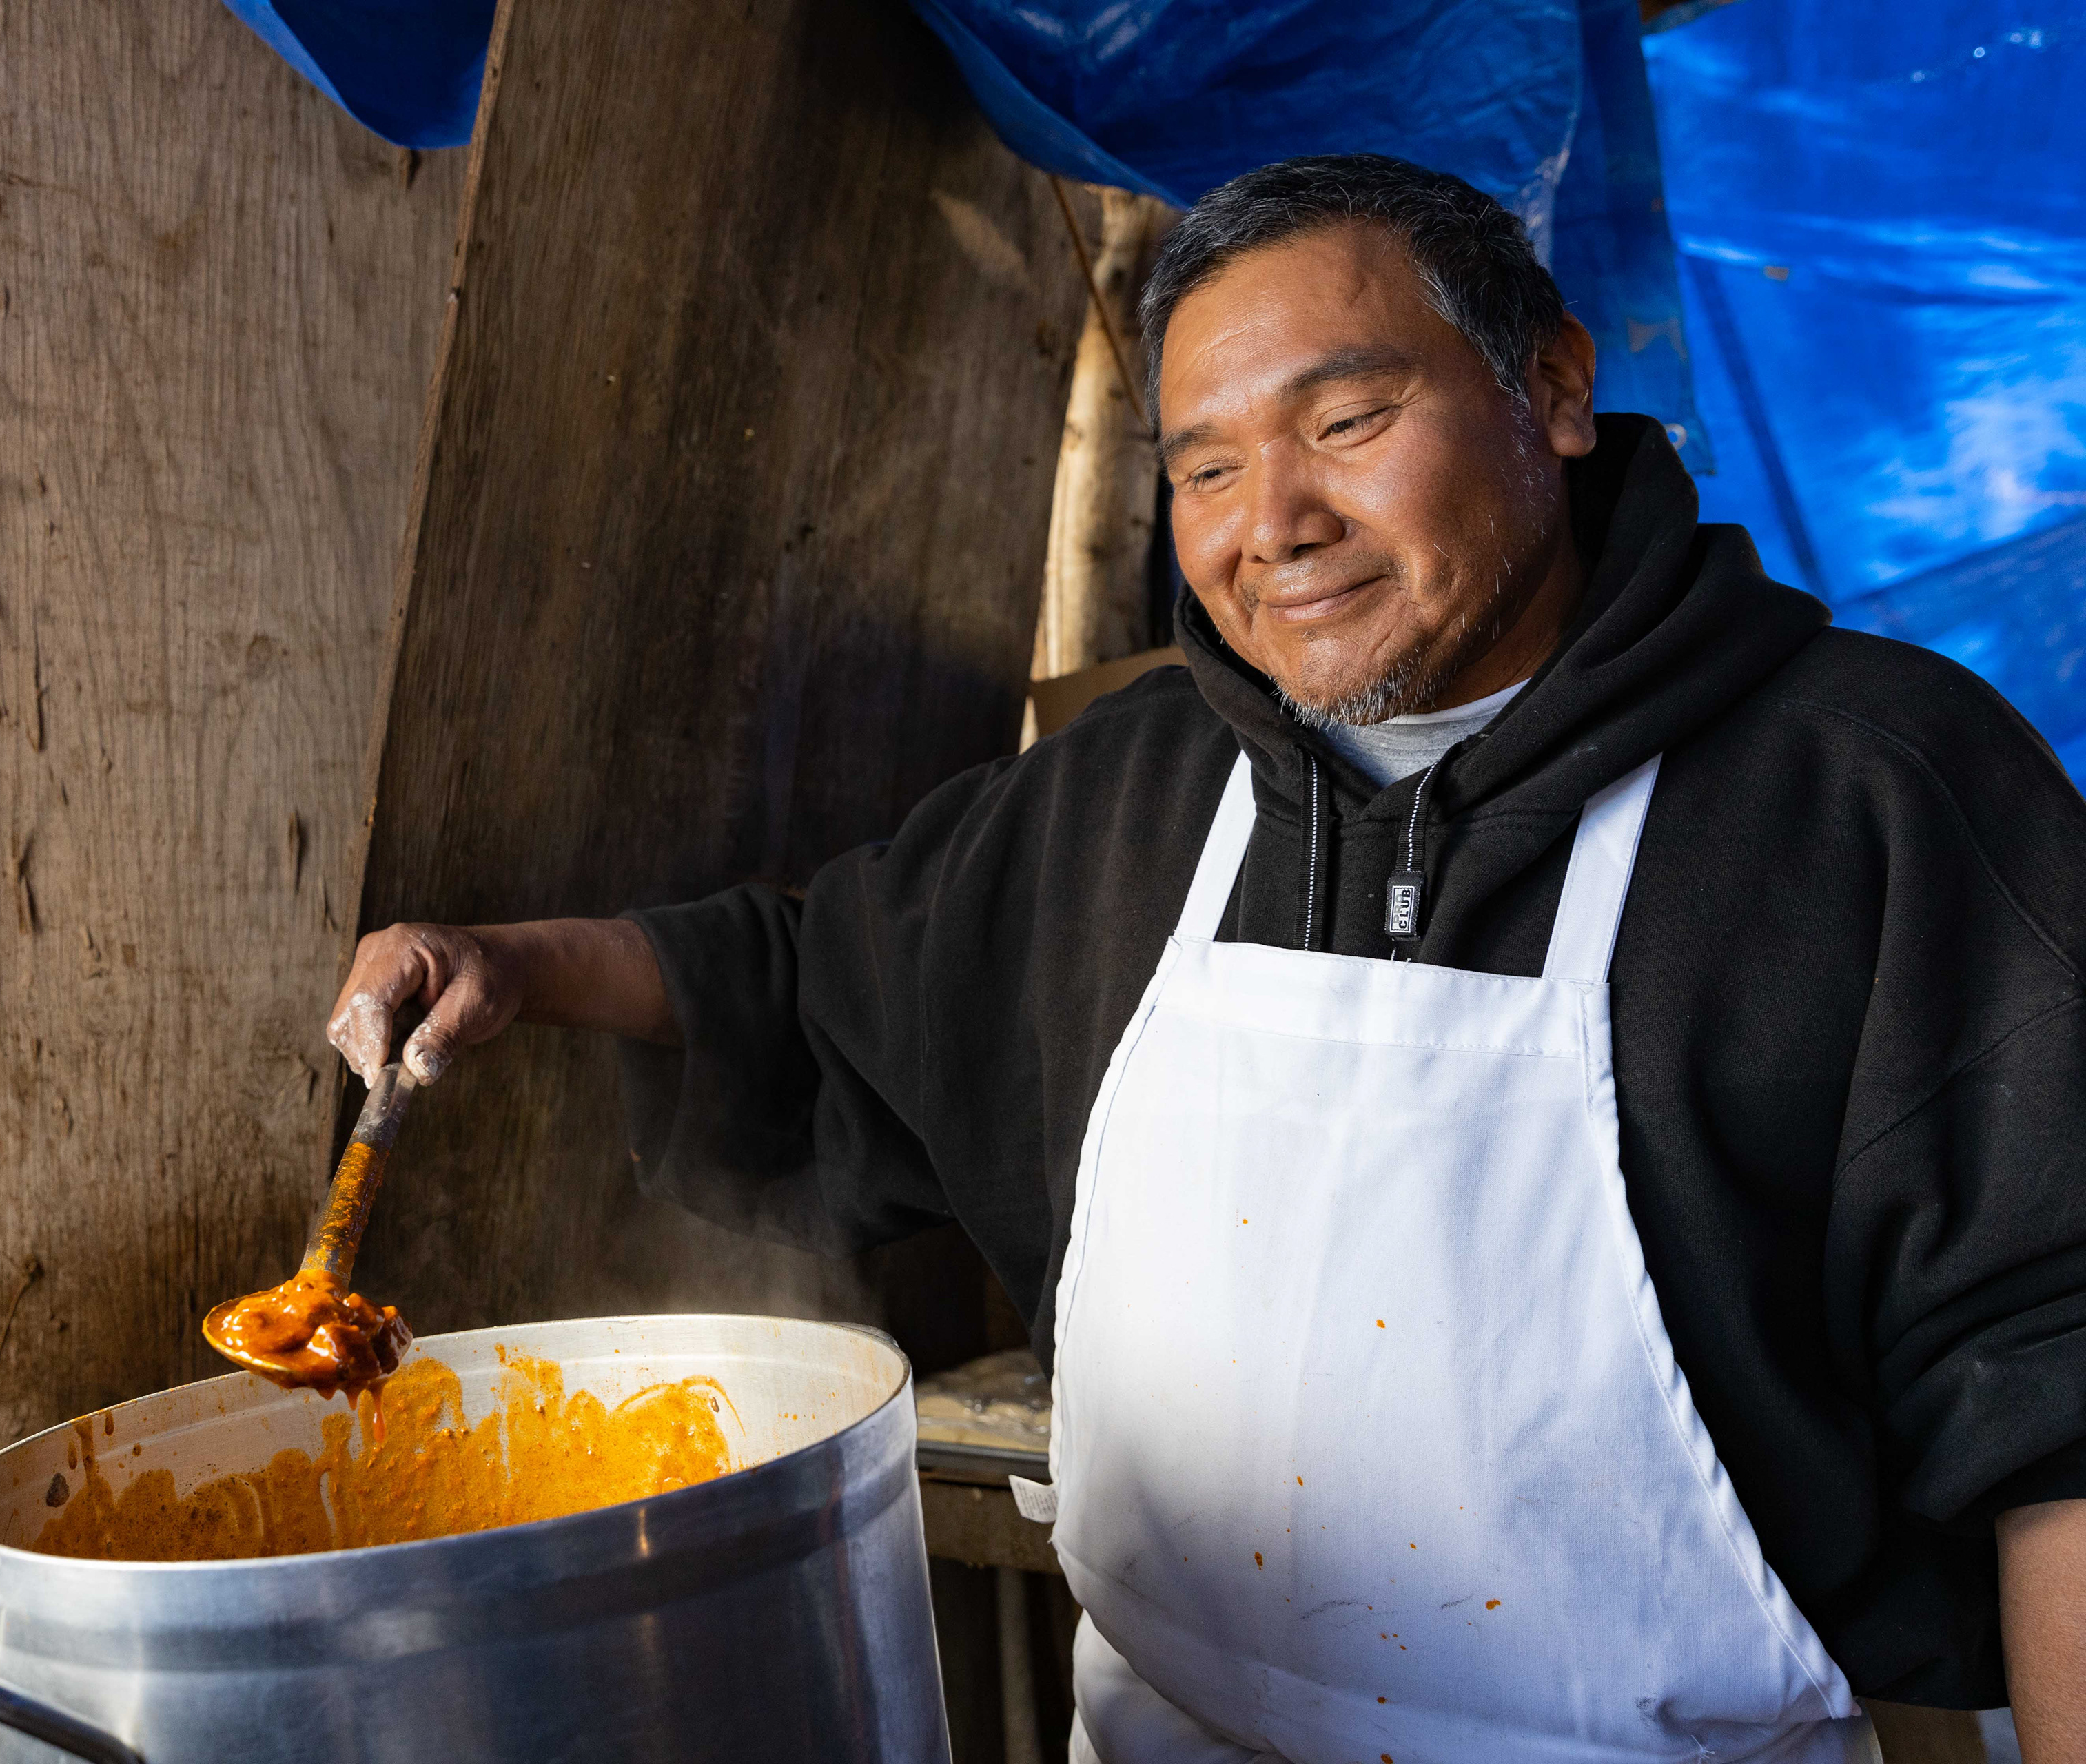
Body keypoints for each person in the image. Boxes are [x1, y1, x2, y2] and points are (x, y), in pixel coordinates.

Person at [324, 154, 2086, 1763]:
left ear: (1549, 387)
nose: (1275, 521)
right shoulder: (1134, 793)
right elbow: (823, 987)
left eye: (1348, 419)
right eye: (1208, 465)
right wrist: (516, 964)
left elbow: (2057, 1394)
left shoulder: (1874, 797)